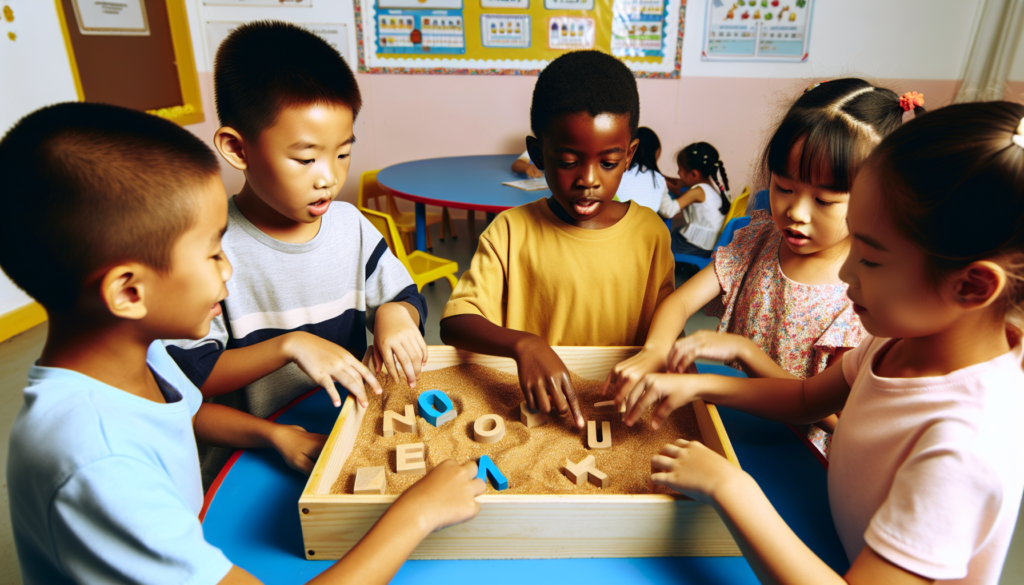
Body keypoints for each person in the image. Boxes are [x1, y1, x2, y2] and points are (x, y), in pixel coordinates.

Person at [1, 102, 486, 585]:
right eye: (214, 253)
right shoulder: (98, 465)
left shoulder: (138, 358)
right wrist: (418, 513)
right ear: (129, 292)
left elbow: (183, 411)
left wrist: (272, 434)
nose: (229, 271)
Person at [617, 101, 1024, 585]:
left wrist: (731, 489)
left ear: (972, 287)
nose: (846, 273)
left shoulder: (966, 447)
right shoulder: (900, 340)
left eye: (869, 259)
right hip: (830, 532)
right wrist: (699, 389)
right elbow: (808, 396)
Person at [163, 21, 429, 486]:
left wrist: (394, 314)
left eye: (343, 153)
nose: (328, 176)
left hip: (342, 434)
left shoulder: (352, 227)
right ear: (236, 148)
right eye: (306, 159)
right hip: (250, 454)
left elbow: (403, 295)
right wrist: (290, 347)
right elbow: (189, 386)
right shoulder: (209, 254)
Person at [605, 79, 924, 457]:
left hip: (795, 457)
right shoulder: (760, 241)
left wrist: (746, 353)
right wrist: (655, 351)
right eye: (784, 187)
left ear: (876, 198)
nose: (795, 213)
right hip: (729, 426)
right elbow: (680, 302)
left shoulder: (859, 293)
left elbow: (829, 415)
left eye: (824, 200)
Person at [440, 50, 675, 429]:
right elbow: (454, 322)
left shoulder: (651, 233)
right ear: (537, 155)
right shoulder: (510, 230)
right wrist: (525, 345)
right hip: (533, 416)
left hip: (618, 417)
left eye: (609, 163)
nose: (589, 180)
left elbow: (667, 329)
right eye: (568, 161)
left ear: (629, 155)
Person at [663, 142, 731, 257]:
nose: (678, 173)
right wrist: (662, 177)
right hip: (709, 244)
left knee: (665, 239)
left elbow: (669, 210)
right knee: (675, 233)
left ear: (694, 174)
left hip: (696, 247)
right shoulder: (710, 187)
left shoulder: (698, 191)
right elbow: (680, 183)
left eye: (680, 169)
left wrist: (660, 185)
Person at [614, 126, 670, 213]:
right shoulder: (658, 179)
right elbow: (668, 211)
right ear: (657, 151)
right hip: (646, 225)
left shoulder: (617, 171)